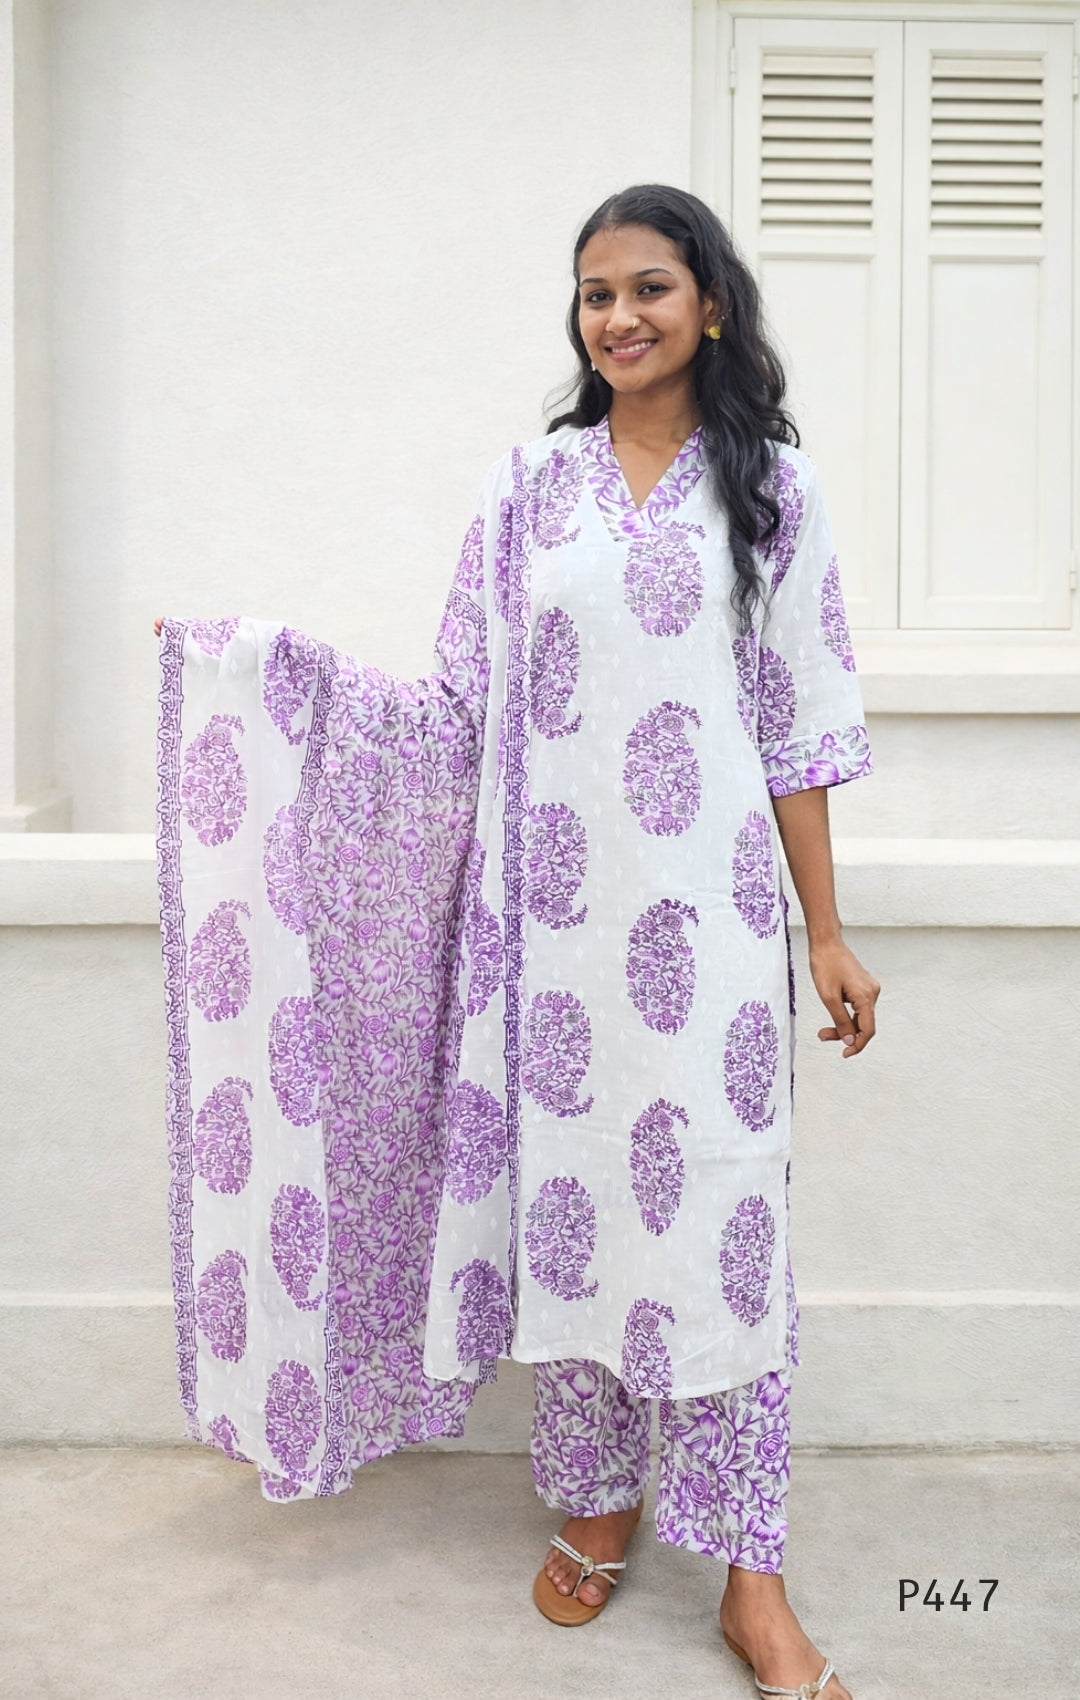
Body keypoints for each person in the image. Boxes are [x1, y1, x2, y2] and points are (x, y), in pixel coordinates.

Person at [154, 183, 878, 1700]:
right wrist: (272, 678)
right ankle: (598, 1500)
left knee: (726, 1238)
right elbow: (457, 713)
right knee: (578, 1218)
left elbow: (799, 730)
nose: (619, 317)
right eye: (596, 294)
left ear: (713, 309)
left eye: (650, 289)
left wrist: (826, 935)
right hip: (548, 940)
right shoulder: (525, 492)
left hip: (717, 937)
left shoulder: (777, 498)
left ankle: (753, 1574)